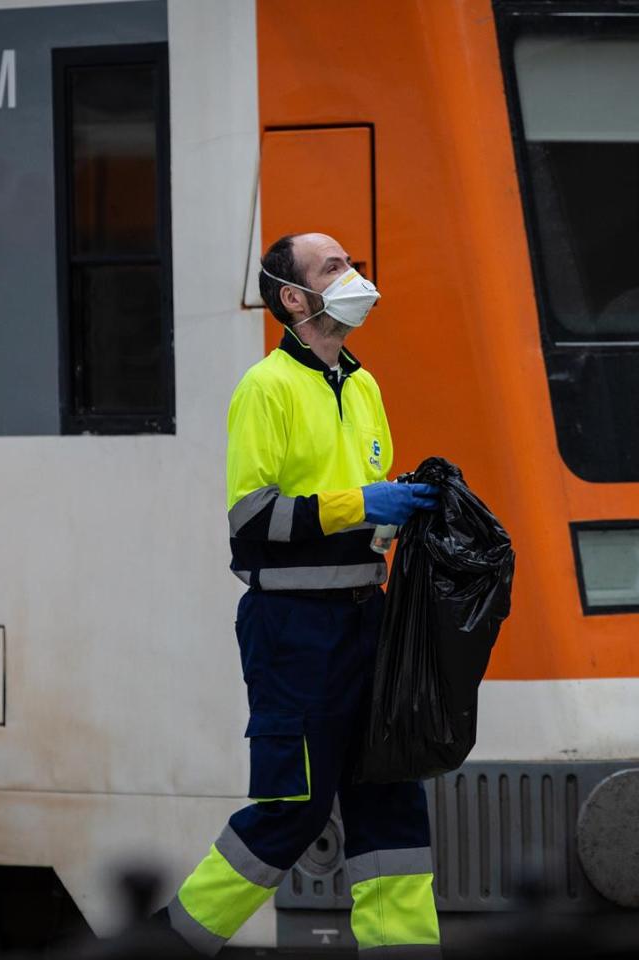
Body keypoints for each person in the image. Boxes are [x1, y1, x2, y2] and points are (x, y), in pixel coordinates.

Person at [155, 233, 441, 956]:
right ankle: (165, 946)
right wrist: (362, 504)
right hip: (293, 628)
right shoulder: (267, 387)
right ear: (293, 297)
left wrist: (407, 506)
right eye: (335, 268)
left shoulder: (364, 384)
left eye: (352, 264)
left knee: (393, 807)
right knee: (293, 808)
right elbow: (251, 518)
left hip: (365, 620)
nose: (354, 276)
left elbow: (363, 503)